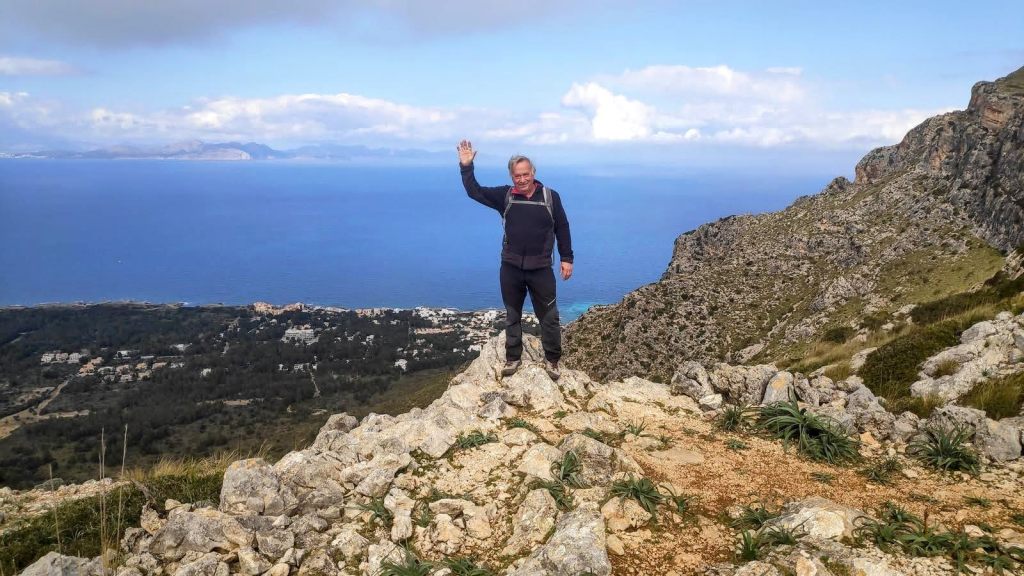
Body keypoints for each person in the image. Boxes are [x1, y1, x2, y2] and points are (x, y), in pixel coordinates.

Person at [458, 139, 573, 380]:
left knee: (549, 317)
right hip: (511, 268)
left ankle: (552, 360)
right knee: (512, 315)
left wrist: (566, 258)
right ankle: (513, 358)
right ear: (512, 177)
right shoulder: (506, 196)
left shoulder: (550, 197)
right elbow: (474, 192)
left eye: (526, 174)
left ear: (533, 173)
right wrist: (466, 166)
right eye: (517, 175)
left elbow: (562, 227)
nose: (522, 179)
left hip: (541, 268)